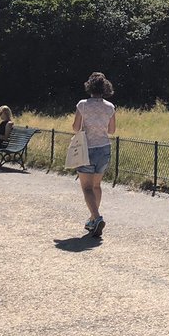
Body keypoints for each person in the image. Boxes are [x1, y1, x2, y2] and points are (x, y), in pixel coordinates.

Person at [73, 72, 116, 237]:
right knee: (97, 186)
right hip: (104, 149)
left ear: (89, 86)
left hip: (87, 149)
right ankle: (92, 219)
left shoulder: (82, 105)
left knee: (86, 187)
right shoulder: (110, 107)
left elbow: (76, 128)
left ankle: (97, 217)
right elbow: (111, 130)